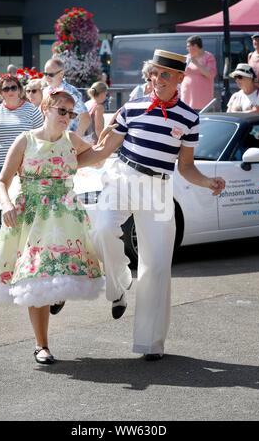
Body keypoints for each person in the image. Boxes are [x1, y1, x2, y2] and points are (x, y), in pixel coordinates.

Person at [76, 49, 225, 361]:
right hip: (122, 176)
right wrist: (65, 163)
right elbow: (104, 150)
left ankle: (151, 343)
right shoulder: (133, 107)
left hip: (158, 188)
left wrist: (208, 182)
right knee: (101, 230)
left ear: (180, 78)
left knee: (156, 267)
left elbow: (185, 167)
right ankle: (117, 286)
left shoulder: (190, 118)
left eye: (165, 74)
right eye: (154, 73)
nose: (158, 79)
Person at [0, 89, 104, 364]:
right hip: (31, 215)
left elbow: (96, 157)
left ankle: (57, 296)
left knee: (57, 274)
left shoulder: (71, 139)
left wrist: (113, 129)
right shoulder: (25, 140)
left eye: (71, 113)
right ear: (46, 108)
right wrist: (8, 204)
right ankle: (41, 346)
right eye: (62, 111)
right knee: (36, 281)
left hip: (65, 215)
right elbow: (1, 181)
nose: (67, 117)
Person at [0, 74, 43, 181]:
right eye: (6, 89)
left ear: (19, 90)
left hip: (25, 163)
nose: (10, 91)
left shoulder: (32, 110)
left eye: (13, 87)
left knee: (23, 196)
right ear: (1, 92)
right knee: (4, 197)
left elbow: (41, 137)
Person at [43, 58, 91, 136]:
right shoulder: (46, 90)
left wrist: (74, 141)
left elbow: (86, 118)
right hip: (51, 139)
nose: (46, 78)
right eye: (45, 74)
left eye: (51, 75)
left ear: (61, 74)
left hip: (66, 141)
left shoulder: (70, 92)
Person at [180, 35, 217, 111]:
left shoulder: (209, 57)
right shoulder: (186, 58)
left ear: (195, 46)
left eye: (188, 46)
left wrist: (196, 63)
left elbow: (210, 74)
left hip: (203, 102)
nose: (186, 49)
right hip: (187, 100)